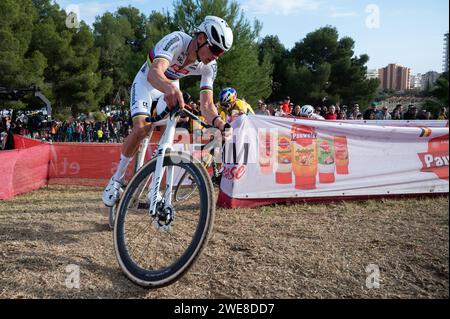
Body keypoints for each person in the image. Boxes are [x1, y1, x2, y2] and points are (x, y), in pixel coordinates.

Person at [102, 16, 234, 207]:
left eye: (221, 53)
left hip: (170, 86)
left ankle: (154, 189)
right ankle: (116, 180)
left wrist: (220, 123)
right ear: (200, 38)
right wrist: (170, 89)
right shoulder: (177, 40)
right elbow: (154, 73)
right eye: (215, 49)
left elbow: (207, 105)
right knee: (142, 129)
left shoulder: (209, 67)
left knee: (169, 134)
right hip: (147, 84)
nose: (216, 56)